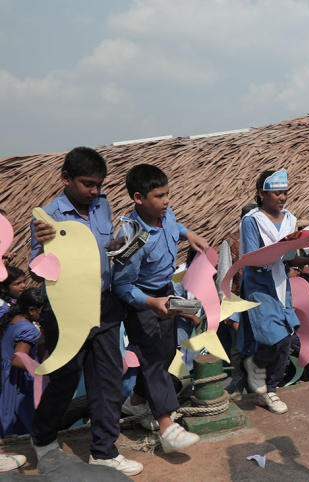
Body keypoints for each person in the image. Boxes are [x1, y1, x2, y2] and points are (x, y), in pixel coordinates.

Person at [29, 146, 143, 475]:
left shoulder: (102, 204)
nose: (94, 191)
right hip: (67, 309)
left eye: (98, 184)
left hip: (105, 304)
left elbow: (100, 245)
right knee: (65, 380)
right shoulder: (46, 217)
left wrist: (116, 245)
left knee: (107, 379)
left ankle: (104, 451)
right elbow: (37, 270)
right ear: (66, 178)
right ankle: (43, 438)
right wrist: (44, 246)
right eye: (87, 184)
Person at [112, 163, 205, 453]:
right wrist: (150, 303)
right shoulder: (132, 237)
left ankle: (136, 402)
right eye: (159, 196)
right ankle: (167, 426)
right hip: (140, 301)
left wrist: (187, 233)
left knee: (166, 352)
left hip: (165, 293)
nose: (167, 201)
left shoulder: (166, 214)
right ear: (138, 198)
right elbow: (123, 286)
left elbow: (174, 227)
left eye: (167, 194)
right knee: (152, 356)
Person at [238, 169, 309, 413]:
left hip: (281, 286)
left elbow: (290, 259)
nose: (282, 197)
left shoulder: (290, 219)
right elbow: (253, 260)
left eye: (285, 192)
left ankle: (271, 390)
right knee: (275, 338)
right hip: (259, 286)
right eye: (277, 192)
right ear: (262, 194)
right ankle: (255, 364)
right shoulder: (252, 220)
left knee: (286, 341)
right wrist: (282, 248)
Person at [0, 287, 44, 437]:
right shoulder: (29, 329)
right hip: (19, 382)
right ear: (32, 310)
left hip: (6, 378)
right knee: (22, 420)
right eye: (41, 311)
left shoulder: (12, 320)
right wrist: (42, 370)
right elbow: (18, 359)